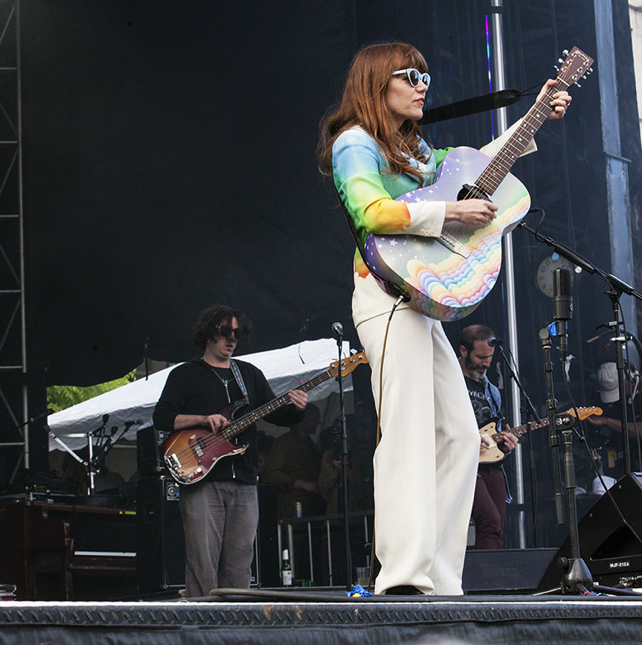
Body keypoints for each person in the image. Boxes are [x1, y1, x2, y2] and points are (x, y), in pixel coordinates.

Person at [318, 42, 570, 595]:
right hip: (384, 297)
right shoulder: (354, 143)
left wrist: (533, 120)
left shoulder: (413, 149)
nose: (422, 85)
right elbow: (371, 211)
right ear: (376, 83)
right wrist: (450, 212)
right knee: (406, 431)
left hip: (420, 303)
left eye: (426, 76)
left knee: (459, 434)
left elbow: (475, 169)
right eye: (409, 76)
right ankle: (403, 575)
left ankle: (439, 576)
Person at [152, 305, 308, 598]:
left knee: (240, 560)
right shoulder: (186, 374)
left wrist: (297, 410)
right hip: (202, 479)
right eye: (225, 332)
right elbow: (161, 417)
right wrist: (202, 419)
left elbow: (276, 415)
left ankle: (235, 623)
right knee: (202, 559)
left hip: (245, 479)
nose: (232, 339)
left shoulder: (248, 374)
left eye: (237, 333)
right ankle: (202, 625)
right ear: (208, 334)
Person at [458, 325, 518, 550]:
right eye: (481, 357)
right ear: (464, 351)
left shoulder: (492, 391)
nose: (486, 363)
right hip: (462, 464)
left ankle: (490, 580)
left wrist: (507, 444)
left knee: (497, 528)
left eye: (490, 358)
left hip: (490, 465)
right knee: (490, 521)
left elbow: (495, 432)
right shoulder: (448, 382)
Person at [262, 403, 327, 519]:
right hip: (294, 505)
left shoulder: (310, 443)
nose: (318, 422)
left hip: (313, 504)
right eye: (315, 418)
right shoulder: (284, 442)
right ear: (304, 419)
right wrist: (304, 485)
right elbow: (272, 474)